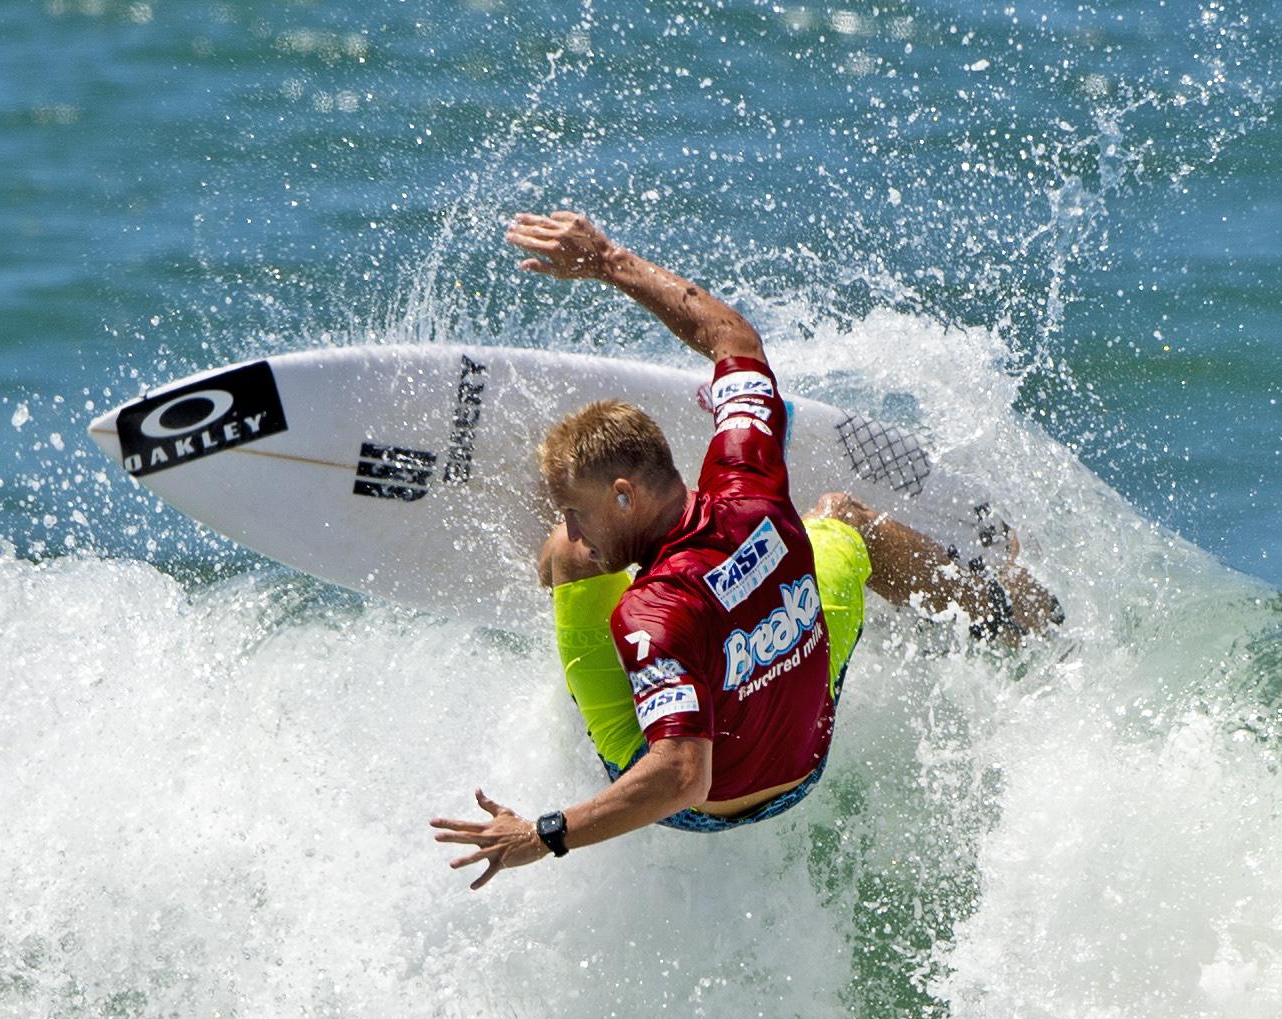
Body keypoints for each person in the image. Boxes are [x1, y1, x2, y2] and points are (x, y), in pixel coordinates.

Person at [431, 211, 1057, 890]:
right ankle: (1002, 612)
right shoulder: (747, 471)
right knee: (844, 519)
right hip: (808, 733)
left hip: (708, 805)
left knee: (568, 562)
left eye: (577, 511)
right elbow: (733, 339)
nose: (574, 524)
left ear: (622, 496)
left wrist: (542, 835)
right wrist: (609, 260)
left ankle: (572, 597)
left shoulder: (650, 616)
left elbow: (680, 777)